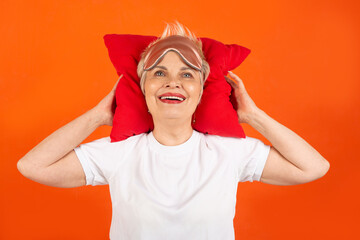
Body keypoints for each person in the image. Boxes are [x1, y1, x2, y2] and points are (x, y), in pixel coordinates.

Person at [17, 22, 330, 240]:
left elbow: (313, 167)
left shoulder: (229, 151)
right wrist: (98, 116)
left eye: (187, 74)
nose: (173, 81)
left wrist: (254, 116)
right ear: (143, 90)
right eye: (158, 72)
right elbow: (32, 166)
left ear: (200, 91)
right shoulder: (119, 153)